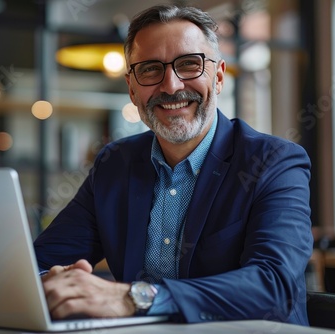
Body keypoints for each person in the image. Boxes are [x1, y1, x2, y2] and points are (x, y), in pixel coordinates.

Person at [34, 4, 313, 325]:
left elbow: (273, 288)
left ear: (219, 77)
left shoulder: (274, 161)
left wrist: (133, 298)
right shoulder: (114, 163)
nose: (171, 86)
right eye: (151, 69)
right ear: (132, 88)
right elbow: (40, 263)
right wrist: (57, 283)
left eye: (189, 65)